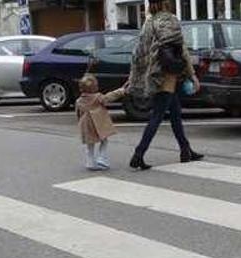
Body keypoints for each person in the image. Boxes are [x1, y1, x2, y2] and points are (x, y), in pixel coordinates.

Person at [125, 1, 203, 170]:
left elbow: (138, 52)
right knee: (157, 115)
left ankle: (185, 150)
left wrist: (136, 76)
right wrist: (192, 75)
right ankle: (138, 154)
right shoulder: (170, 20)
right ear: (166, 3)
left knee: (175, 114)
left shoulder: (148, 23)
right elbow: (181, 50)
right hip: (168, 74)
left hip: (154, 74)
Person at [75, 74, 126, 171]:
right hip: (98, 124)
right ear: (95, 88)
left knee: (90, 144)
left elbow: (78, 113)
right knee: (104, 140)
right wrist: (120, 91)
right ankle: (102, 158)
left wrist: (80, 123)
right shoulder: (98, 97)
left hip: (86, 124)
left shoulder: (79, 101)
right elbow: (109, 97)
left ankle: (89, 162)